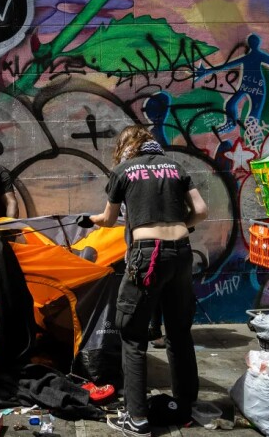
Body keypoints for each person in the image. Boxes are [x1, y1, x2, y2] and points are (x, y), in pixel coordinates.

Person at [86, 125, 207, 437]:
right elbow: (202, 211)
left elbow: (110, 220)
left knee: (132, 334)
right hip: (182, 253)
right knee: (179, 332)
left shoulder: (123, 170)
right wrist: (181, 225)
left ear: (128, 147)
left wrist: (93, 220)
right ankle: (183, 407)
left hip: (147, 256)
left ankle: (137, 419)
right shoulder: (176, 167)